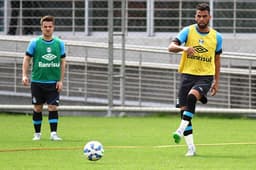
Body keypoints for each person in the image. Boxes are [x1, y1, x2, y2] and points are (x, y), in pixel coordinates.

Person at [168, 3, 223, 156]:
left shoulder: (217, 37)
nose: (201, 18)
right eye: (199, 15)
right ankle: (191, 148)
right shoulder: (188, 31)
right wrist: (184, 48)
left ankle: (179, 130)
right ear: (195, 16)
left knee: (192, 97)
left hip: (205, 76)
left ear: (209, 17)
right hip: (187, 75)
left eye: (204, 16)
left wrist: (217, 81)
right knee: (184, 112)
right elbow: (170, 47)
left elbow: (217, 60)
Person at [22, 15, 66, 141]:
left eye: (50, 27)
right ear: (41, 28)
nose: (48, 29)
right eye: (45, 27)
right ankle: (37, 134)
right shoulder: (34, 43)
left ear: (53, 28)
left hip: (53, 82)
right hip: (37, 81)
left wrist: (60, 80)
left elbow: (63, 62)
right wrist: (24, 75)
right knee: (37, 108)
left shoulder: (59, 43)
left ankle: (53, 133)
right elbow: (26, 59)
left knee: (53, 107)